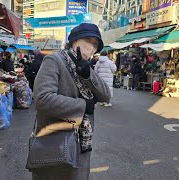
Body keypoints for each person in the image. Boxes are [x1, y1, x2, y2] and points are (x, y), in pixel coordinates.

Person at [31, 23, 111, 179]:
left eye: (95, 44)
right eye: (88, 40)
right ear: (75, 41)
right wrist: (82, 106)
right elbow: (42, 99)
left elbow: (106, 95)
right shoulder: (54, 60)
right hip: (55, 142)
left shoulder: (85, 66)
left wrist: (88, 75)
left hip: (81, 143)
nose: (91, 46)